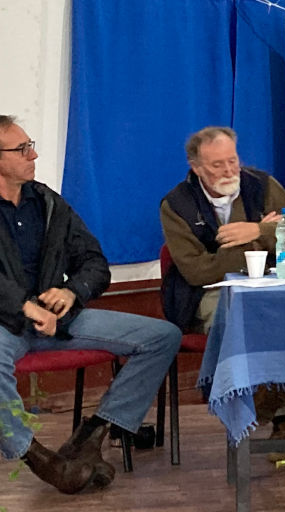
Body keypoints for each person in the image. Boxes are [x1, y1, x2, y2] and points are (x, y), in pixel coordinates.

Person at [0, 115, 181, 493]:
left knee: (163, 336)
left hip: (60, 320)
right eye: (22, 149)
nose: (34, 155)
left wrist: (72, 293)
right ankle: (37, 457)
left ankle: (92, 436)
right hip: (8, 325)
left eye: (30, 144)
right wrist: (26, 306)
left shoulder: (47, 203)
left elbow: (95, 262)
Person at [159, 126, 285, 440]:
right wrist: (252, 240)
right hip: (205, 294)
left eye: (232, 161)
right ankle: (283, 417)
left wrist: (255, 231)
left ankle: (270, 406)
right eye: (217, 165)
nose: (228, 170)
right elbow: (198, 272)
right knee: (244, 316)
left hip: (266, 288)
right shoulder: (176, 205)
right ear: (196, 168)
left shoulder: (263, 186)